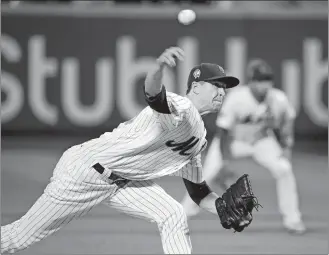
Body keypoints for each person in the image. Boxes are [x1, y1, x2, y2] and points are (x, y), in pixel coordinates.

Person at [1, 47, 246, 254]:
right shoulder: (182, 106)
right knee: (18, 238)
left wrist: (223, 208)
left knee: (173, 214)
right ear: (195, 87)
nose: (222, 92)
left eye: (225, 87)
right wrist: (158, 68)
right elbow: (154, 95)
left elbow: (198, 192)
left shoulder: (199, 137)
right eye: (216, 85)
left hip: (124, 182)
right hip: (84, 173)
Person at [181, 59, 306, 234]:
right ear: (251, 82)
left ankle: (293, 220)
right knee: (205, 175)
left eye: (267, 79)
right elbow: (223, 131)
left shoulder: (278, 98)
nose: (265, 84)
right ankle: (181, 218)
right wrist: (224, 162)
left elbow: (287, 123)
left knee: (284, 169)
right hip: (233, 141)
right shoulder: (238, 98)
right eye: (260, 79)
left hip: (261, 141)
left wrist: (286, 147)